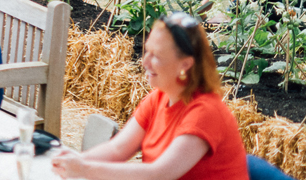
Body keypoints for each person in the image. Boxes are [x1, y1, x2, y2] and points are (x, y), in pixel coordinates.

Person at [52, 13, 249, 180]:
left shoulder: (205, 113)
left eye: (156, 55)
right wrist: (73, 160)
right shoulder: (159, 98)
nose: (145, 62)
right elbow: (117, 149)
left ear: (185, 65)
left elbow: (159, 174)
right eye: (147, 51)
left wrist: (83, 169)